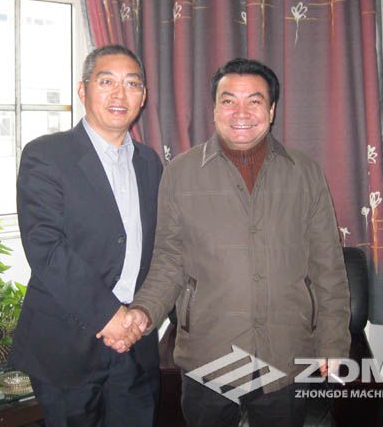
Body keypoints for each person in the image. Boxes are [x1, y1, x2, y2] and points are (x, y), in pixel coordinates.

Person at [113, 58, 351, 427]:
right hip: (208, 356)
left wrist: (333, 341)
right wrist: (143, 311)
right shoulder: (180, 173)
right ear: (214, 109)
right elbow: (168, 261)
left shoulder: (305, 172)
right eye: (228, 101)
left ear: (271, 110)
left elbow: (328, 267)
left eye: (254, 101)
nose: (241, 112)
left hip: (286, 356)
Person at [9, 44, 162, 427]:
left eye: (132, 84)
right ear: (83, 90)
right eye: (106, 81)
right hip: (67, 343)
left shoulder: (149, 162)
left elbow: (157, 248)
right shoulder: (46, 155)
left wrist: (142, 314)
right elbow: (46, 248)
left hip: (135, 341)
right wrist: (109, 316)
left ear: (143, 96)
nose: (119, 94)